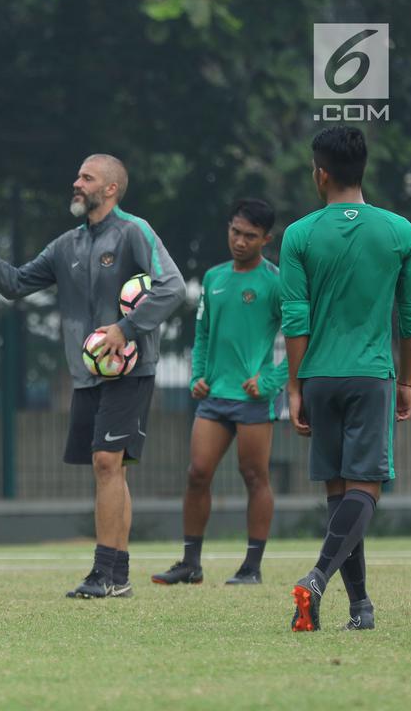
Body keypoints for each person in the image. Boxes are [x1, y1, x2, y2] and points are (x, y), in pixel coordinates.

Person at [0, 154, 186, 599]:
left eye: (86, 177)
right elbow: (14, 284)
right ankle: (118, 576)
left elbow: (170, 286)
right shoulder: (66, 245)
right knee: (109, 469)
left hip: (131, 370)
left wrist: (125, 329)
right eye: (77, 176)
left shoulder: (135, 231)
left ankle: (106, 573)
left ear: (111, 189)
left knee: (106, 462)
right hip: (86, 375)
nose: (76, 183)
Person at [283, 126, 411, 632]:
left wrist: (295, 387)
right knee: (365, 489)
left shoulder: (299, 234)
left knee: (341, 494)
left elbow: (294, 317)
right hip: (370, 375)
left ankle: (360, 608)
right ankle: (318, 578)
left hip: (319, 377)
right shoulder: (398, 231)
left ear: (320, 173)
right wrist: (405, 380)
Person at [152, 199, 284, 586]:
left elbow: (300, 340)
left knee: (254, 476)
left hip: (254, 399)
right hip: (215, 397)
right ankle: (190, 564)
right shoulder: (214, 277)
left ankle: (252, 567)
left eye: (250, 236)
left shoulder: (276, 282)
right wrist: (198, 376)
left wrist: (271, 381)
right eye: (235, 232)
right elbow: (205, 332)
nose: (240, 242)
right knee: (197, 473)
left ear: (266, 239)